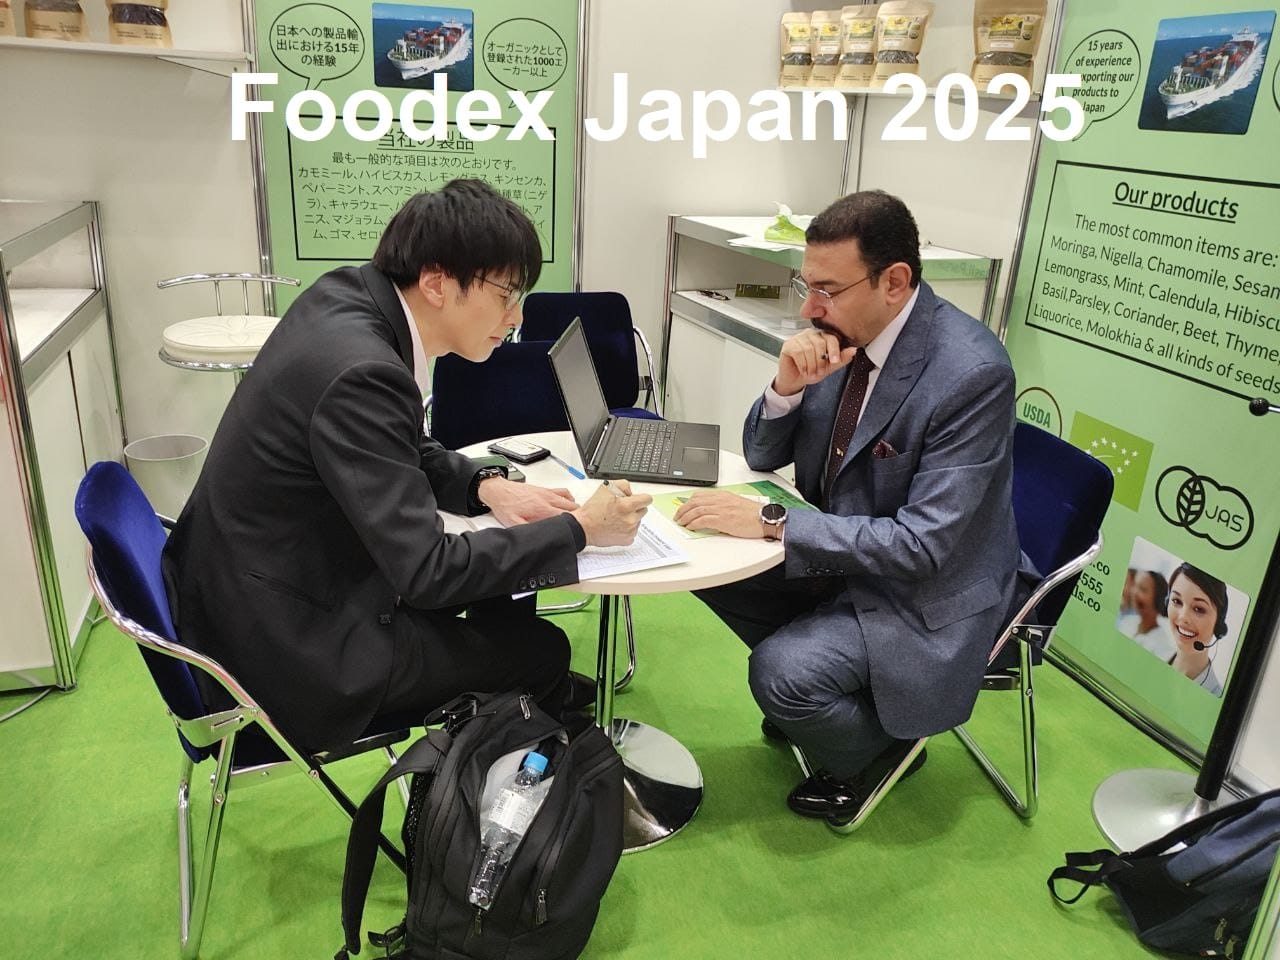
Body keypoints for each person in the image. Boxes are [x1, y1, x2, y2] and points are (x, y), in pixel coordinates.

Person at [162, 179, 651, 753]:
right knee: (542, 649)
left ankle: (527, 711)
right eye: (505, 294)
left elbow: (398, 446)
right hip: (289, 648)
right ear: (437, 282)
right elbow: (428, 573)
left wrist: (486, 485)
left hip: (253, 589)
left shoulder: (346, 299)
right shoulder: (362, 372)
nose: (515, 316)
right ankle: (520, 779)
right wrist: (580, 528)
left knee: (503, 603)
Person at [675, 190, 1032, 825]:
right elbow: (761, 452)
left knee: (782, 675)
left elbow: (922, 546)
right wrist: (786, 387)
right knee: (700, 555)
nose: (809, 307)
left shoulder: (971, 373)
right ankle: (833, 699)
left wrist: (773, 523)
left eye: (827, 290)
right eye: (806, 284)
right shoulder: (841, 337)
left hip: (923, 593)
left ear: (894, 282)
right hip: (847, 555)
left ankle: (881, 750)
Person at [1164, 562, 1227, 697]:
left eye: (1199, 609)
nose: (1183, 617)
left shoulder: (1214, 697)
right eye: (1177, 601)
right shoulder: (1149, 660)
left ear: (1218, 624)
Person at [1116, 569, 1174, 659]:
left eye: (1142, 589)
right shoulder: (1128, 621)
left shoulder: (1162, 645)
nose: (1134, 592)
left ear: (1158, 599)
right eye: (1135, 585)